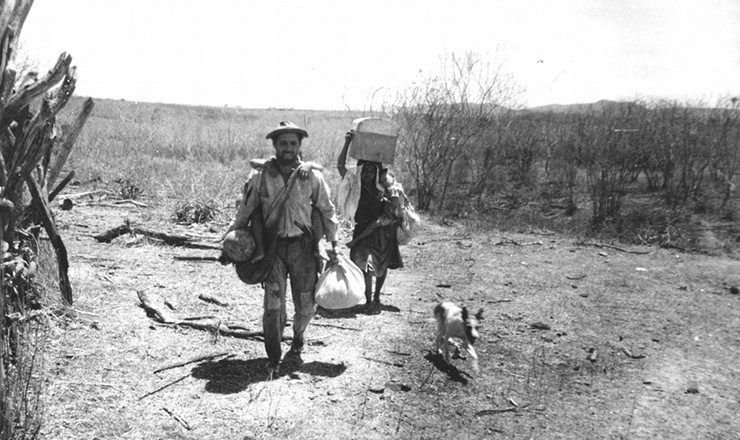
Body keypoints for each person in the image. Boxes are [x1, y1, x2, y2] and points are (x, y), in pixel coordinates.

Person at [227, 121, 339, 377]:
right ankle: (274, 357)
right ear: (275, 146)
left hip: (303, 248)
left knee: (306, 304)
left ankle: (298, 339)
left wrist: (333, 244)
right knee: (273, 306)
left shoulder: (311, 176)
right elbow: (245, 210)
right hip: (273, 249)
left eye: (293, 143)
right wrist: (229, 241)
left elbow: (327, 209)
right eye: (283, 143)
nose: (288, 148)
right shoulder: (260, 176)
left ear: (299, 146)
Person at [337, 131, 404, 312]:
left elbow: (394, 191)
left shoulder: (383, 186)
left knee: (381, 264)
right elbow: (340, 165)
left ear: (376, 172)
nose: (367, 173)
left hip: (382, 230)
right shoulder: (354, 183)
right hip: (362, 228)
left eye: (370, 170)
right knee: (363, 265)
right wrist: (347, 143)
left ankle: (376, 297)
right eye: (364, 169)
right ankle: (368, 300)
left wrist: (394, 195)